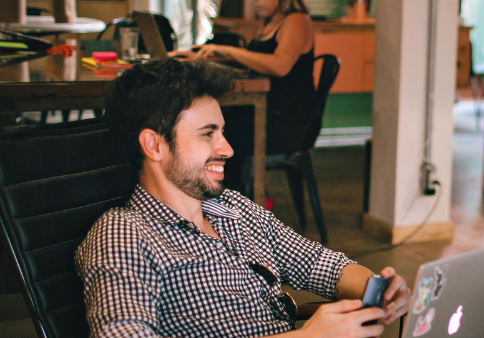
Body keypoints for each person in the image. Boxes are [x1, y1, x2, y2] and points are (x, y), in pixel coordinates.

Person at [76, 59, 410, 337]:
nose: (227, 149)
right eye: (208, 134)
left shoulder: (233, 209)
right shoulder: (123, 234)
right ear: (154, 145)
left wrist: (380, 289)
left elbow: (319, 264)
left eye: (222, 132)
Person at [170, 0, 318, 193]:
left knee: (219, 132)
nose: (255, 2)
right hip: (268, 111)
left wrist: (228, 51)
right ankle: (219, 196)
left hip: (286, 122)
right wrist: (199, 55)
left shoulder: (297, 21)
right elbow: (255, 61)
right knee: (216, 125)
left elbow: (280, 65)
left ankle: (227, 198)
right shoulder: (270, 22)